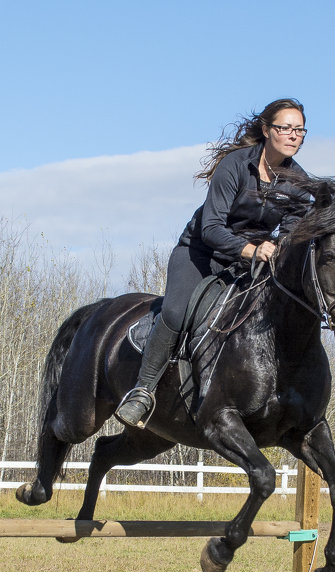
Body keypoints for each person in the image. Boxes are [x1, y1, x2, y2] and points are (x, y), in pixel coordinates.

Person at [115, 98, 310, 428]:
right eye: (285, 128)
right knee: (177, 312)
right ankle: (142, 390)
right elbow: (212, 228)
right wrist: (252, 250)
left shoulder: (299, 183)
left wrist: (277, 249)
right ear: (266, 130)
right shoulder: (235, 165)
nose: (293, 135)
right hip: (200, 252)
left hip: (248, 265)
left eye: (300, 130)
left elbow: (288, 236)